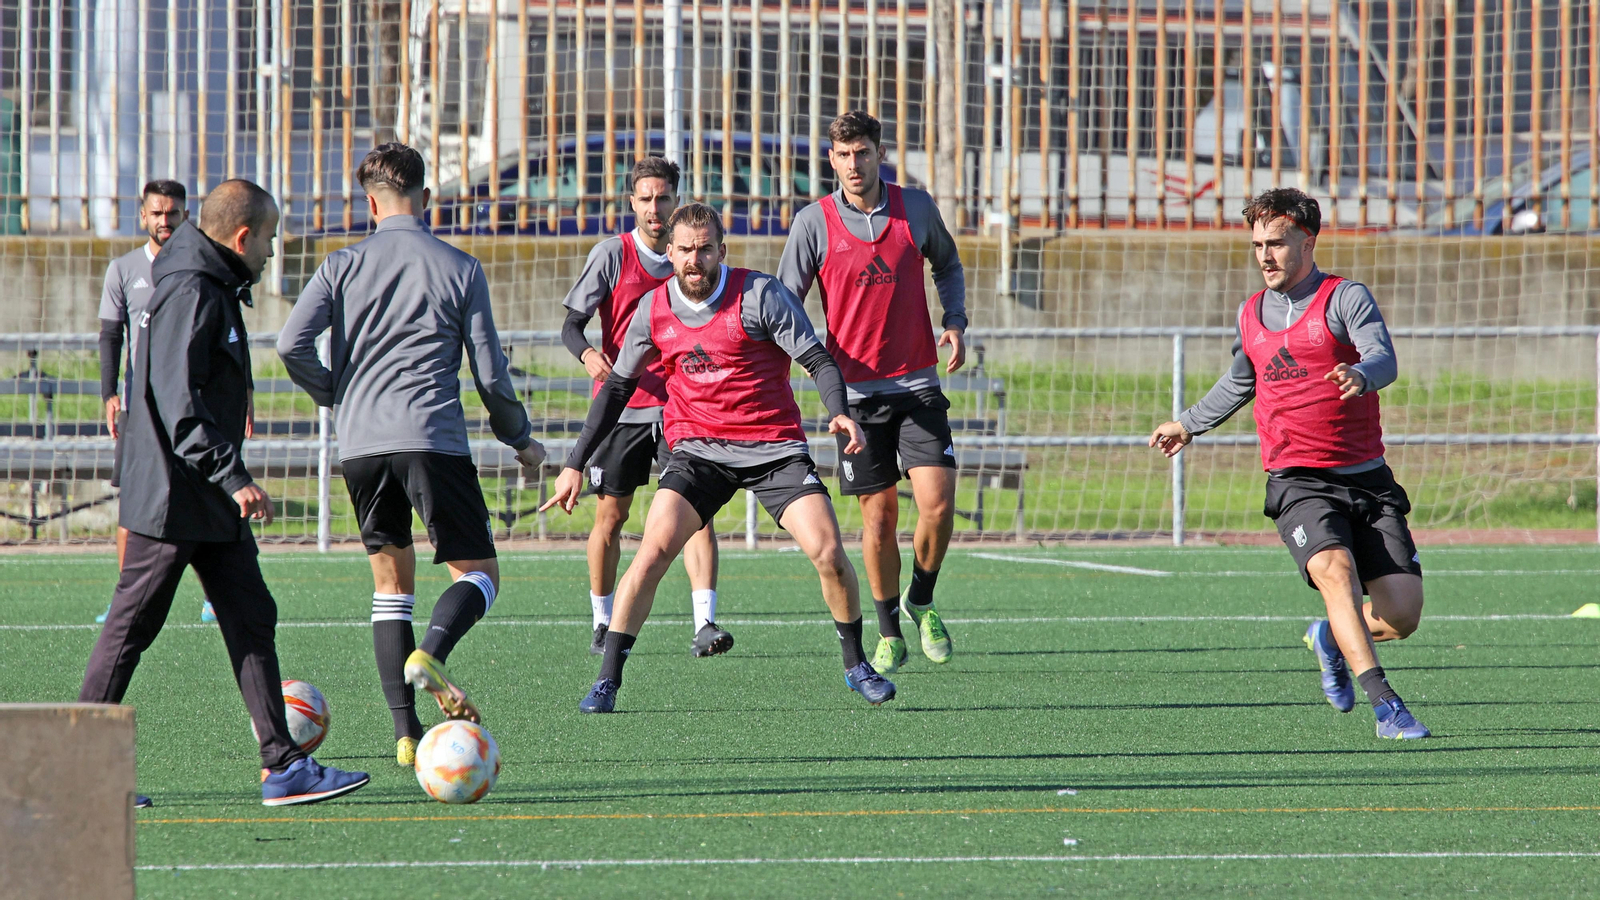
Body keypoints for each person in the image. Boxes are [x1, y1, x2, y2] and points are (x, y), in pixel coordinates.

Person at [79, 179, 371, 807]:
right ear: (242, 237)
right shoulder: (192, 287)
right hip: (175, 493)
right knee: (131, 628)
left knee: (250, 614)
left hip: (201, 494)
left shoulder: (205, 280)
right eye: (267, 239)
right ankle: (74, 773)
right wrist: (234, 477)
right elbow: (177, 404)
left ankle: (283, 764)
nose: (270, 252)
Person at [542, 202, 895, 713]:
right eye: (685, 249)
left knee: (828, 553)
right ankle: (607, 679)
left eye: (705, 249)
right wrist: (576, 462)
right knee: (651, 554)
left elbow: (818, 359)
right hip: (697, 452)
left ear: (721, 251)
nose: (694, 259)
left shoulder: (760, 295)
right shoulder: (654, 309)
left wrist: (838, 412)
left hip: (773, 448)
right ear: (670, 253)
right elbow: (617, 388)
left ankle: (856, 664)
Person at [277, 143, 546, 767]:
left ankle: (404, 732)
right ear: (425, 200)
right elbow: (489, 371)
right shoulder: (459, 267)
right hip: (433, 441)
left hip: (363, 447)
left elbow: (292, 343)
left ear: (369, 203)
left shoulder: (340, 264)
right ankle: (433, 651)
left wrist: (336, 394)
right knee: (479, 575)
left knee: (390, 587)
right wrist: (519, 437)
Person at [1149, 187, 1429, 740]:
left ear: (1308, 240)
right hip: (1298, 479)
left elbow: (1383, 357)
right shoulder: (1251, 313)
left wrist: (1363, 375)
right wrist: (1187, 423)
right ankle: (1387, 707)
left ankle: (1328, 637)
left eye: (1276, 243)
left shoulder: (1345, 298)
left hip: (1367, 479)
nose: (1265, 256)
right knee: (1337, 575)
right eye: (1257, 245)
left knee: (1401, 615)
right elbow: (1240, 380)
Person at [778, 110, 968, 676]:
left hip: (918, 384)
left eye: (862, 152)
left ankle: (923, 599)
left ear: (877, 153)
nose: (853, 164)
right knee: (879, 519)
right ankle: (888, 630)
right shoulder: (813, 222)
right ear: (830, 160)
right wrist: (808, 364)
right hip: (856, 399)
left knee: (937, 503)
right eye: (842, 155)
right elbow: (785, 301)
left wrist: (954, 319)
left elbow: (949, 265)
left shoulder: (916, 208)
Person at [561, 157, 727, 659]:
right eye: (646, 198)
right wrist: (589, 353)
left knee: (698, 515)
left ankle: (705, 623)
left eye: (664, 197)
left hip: (684, 410)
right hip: (623, 409)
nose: (656, 207)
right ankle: (602, 620)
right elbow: (572, 325)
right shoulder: (613, 254)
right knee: (611, 517)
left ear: (678, 201)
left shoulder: (694, 258)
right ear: (631, 202)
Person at [96, 180, 217, 626]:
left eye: (174, 212)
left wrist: (245, 395)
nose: (165, 220)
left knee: (211, 498)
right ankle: (126, 601)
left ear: (187, 215)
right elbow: (112, 336)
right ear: (142, 216)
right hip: (141, 411)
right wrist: (110, 394)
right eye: (157, 213)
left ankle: (214, 599)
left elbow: (226, 335)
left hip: (195, 408)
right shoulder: (124, 270)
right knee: (134, 503)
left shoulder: (202, 266)